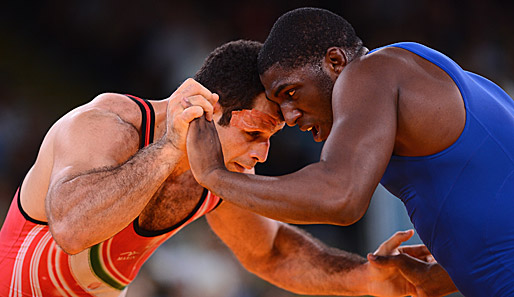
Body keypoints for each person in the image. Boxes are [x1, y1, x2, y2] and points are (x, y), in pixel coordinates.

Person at [0, 40, 449, 297]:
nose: (262, 156)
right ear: (207, 109)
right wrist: (169, 147)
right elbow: (72, 228)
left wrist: (364, 278)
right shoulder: (108, 125)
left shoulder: (218, 177)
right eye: (255, 134)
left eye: (270, 140)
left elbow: (269, 252)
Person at [186, 7, 514, 297]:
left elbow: (341, 197)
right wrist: (446, 273)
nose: (289, 116)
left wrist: (214, 175)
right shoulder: (418, 76)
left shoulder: (369, 73)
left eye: (291, 92)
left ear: (335, 62)